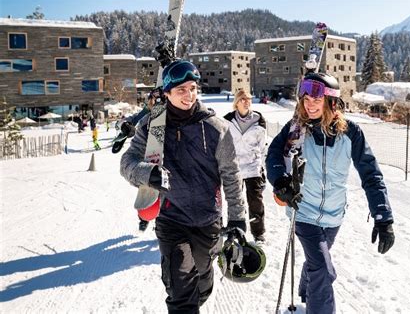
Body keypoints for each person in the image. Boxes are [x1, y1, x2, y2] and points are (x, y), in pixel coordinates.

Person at [120, 59, 247, 313]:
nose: (188, 95)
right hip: (171, 218)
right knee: (180, 290)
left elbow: (232, 177)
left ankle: (202, 286)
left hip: (207, 220)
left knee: (200, 283)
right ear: (166, 93)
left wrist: (237, 220)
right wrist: (147, 174)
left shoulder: (215, 128)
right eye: (181, 90)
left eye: (192, 88)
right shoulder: (153, 126)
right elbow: (127, 163)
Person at [266, 72, 395, 314]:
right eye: (306, 99)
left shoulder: (351, 133)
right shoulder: (296, 129)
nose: (309, 104)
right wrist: (280, 181)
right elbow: (272, 156)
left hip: (333, 215)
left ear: (331, 102)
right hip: (303, 211)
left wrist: (383, 217)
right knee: (323, 270)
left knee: (317, 264)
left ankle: (306, 290)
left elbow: (371, 174)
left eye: (316, 99)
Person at [223, 89, 267, 243]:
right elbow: (223, 144)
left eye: (248, 99)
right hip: (234, 167)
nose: (247, 102)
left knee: (255, 201)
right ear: (236, 102)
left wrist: (261, 166)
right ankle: (235, 229)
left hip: (253, 166)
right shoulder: (227, 121)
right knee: (235, 200)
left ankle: (258, 233)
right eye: (243, 99)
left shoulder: (259, 120)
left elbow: (262, 147)